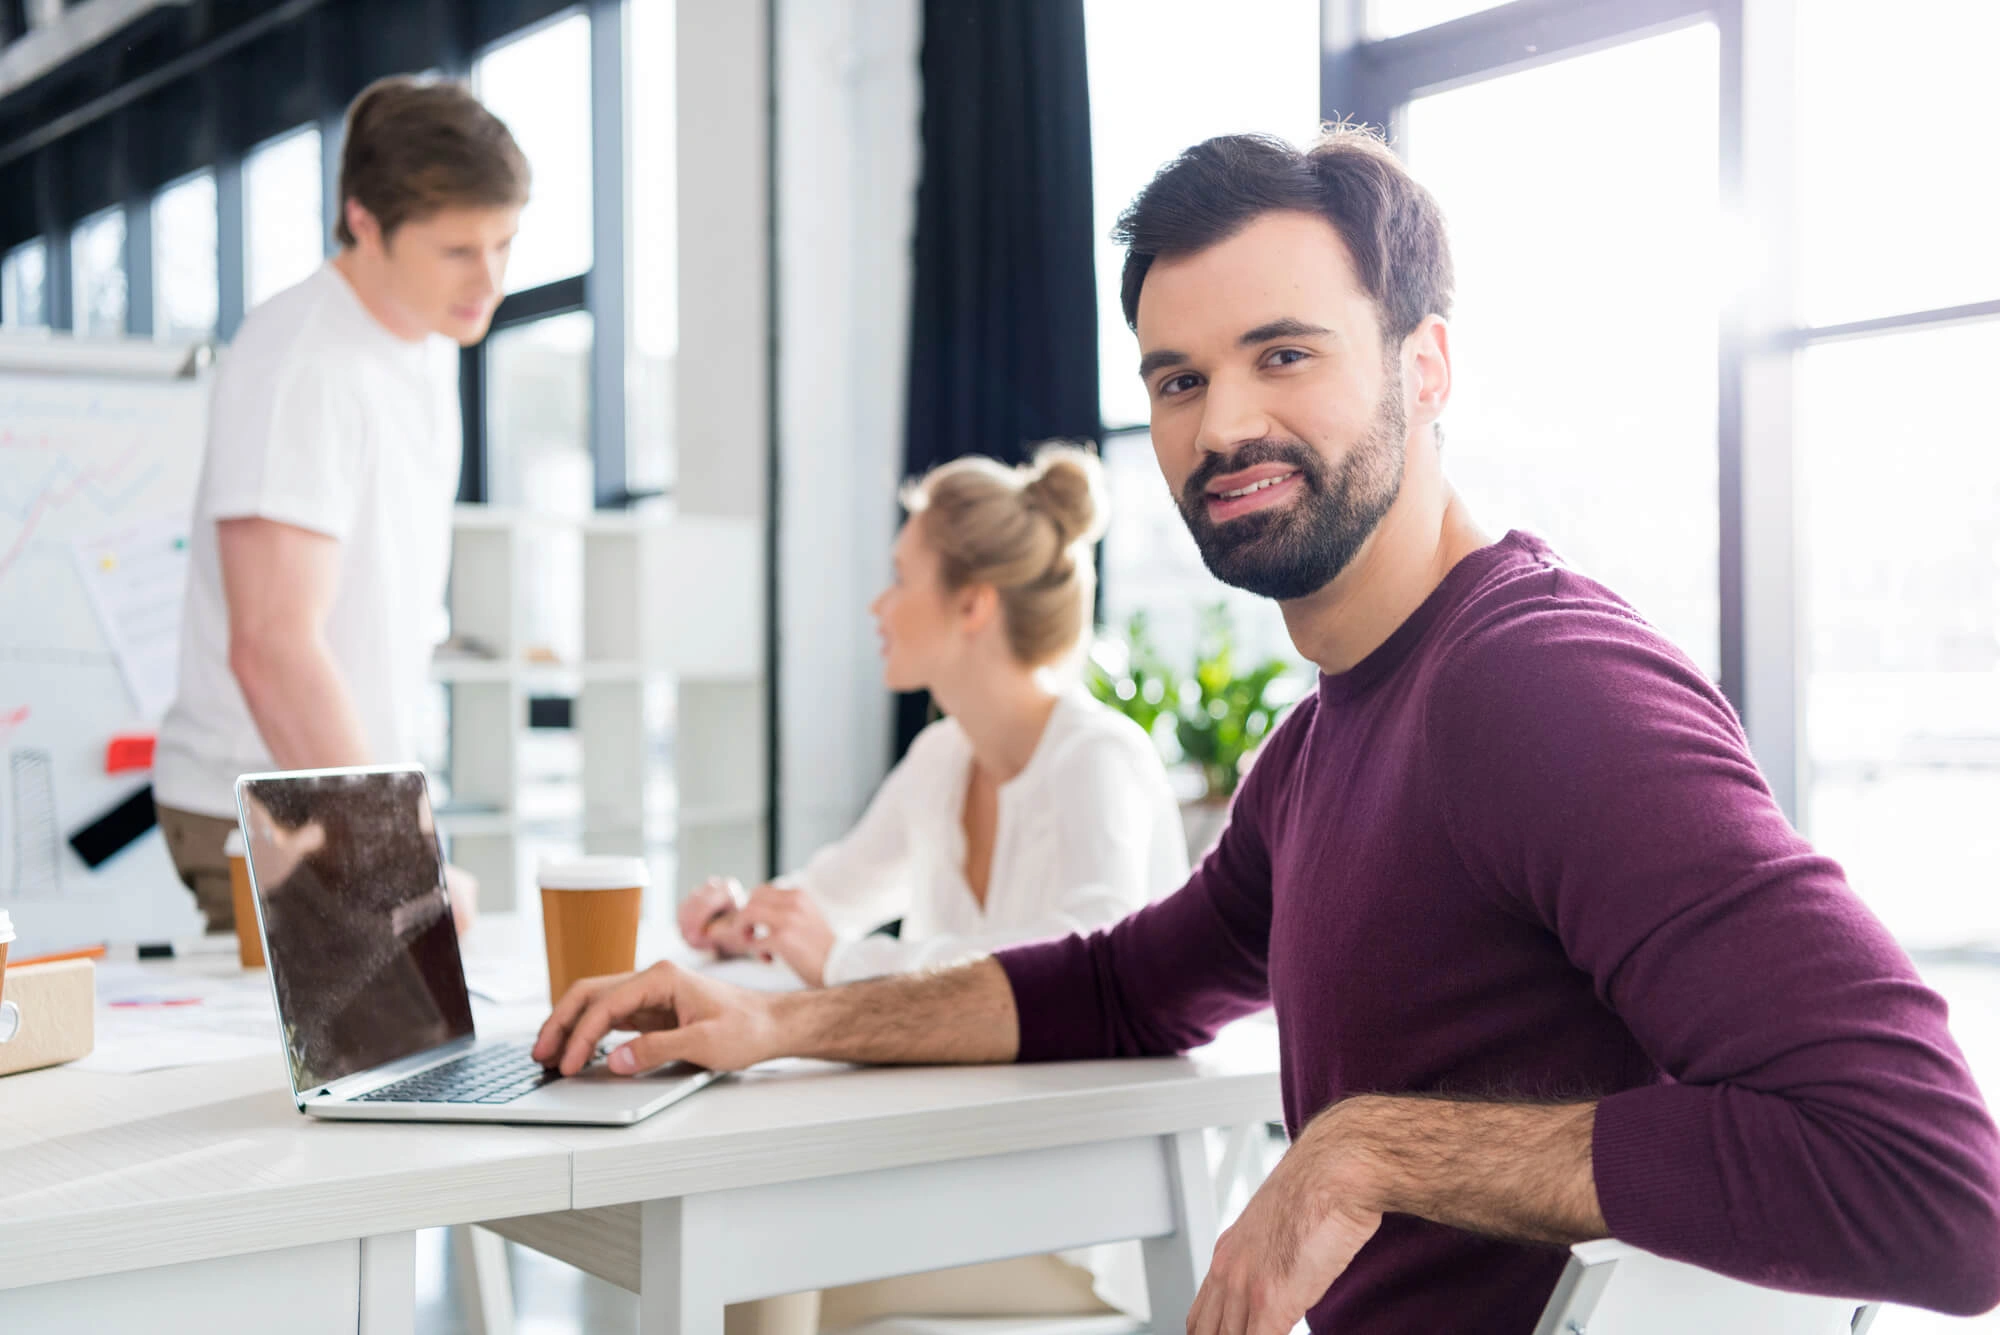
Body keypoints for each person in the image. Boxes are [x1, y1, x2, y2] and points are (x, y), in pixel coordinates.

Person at [536, 126, 2000, 1334]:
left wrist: (1367, 1146)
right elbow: (1124, 985)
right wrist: (777, 1019)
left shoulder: (1538, 688)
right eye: (1178, 378)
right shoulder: (1328, 742)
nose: (1221, 421)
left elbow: (1944, 1184)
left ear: (1426, 367)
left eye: (1283, 354)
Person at [681, 445, 1188, 1333]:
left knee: (754, 1264)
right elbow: (833, 895)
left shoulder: (1098, 759)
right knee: (738, 1245)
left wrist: (843, 959)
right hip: (969, 1169)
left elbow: (1084, 965)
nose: (878, 605)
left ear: (973, 603)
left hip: (1094, 1222)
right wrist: (747, 922)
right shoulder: (942, 754)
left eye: (899, 577)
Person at [156, 76, 527, 935]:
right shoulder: (303, 364)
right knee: (333, 1068)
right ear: (363, 219)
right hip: (268, 807)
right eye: (458, 251)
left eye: (505, 243)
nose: (492, 279)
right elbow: (272, 647)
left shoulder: (424, 344)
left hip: (337, 792)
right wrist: (398, 849)